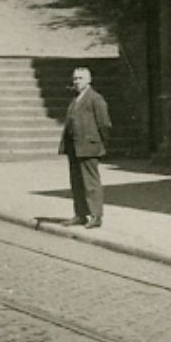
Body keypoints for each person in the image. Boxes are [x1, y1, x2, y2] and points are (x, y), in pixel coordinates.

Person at [60, 66, 112, 228]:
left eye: (80, 78)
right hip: (74, 147)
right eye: (74, 79)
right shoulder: (76, 99)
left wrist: (100, 143)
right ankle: (80, 214)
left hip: (88, 146)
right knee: (76, 182)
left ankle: (96, 216)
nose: (76, 82)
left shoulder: (95, 99)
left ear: (89, 80)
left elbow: (104, 124)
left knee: (91, 183)